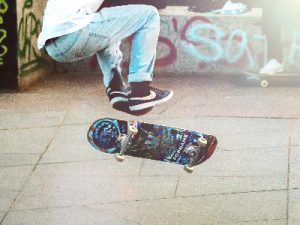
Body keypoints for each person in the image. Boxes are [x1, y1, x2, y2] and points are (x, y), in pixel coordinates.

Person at [37, 0, 173, 112]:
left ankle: (115, 88)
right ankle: (141, 90)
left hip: (54, 45)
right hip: (74, 31)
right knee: (150, 14)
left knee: (110, 24)